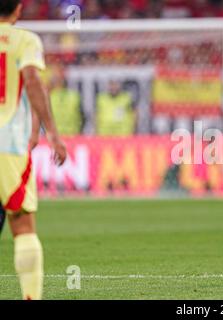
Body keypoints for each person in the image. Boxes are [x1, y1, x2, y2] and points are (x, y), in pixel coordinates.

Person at [0, 0, 67, 300]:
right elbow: (32, 81)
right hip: (9, 144)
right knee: (22, 225)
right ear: (19, 8)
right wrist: (52, 132)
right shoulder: (25, 40)